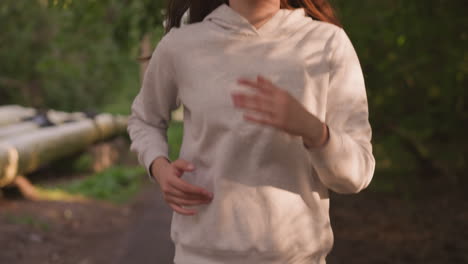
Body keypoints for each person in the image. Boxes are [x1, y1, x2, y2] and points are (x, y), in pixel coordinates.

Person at [127, 0, 376, 263]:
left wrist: (314, 131)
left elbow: (356, 175)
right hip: (200, 256)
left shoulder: (327, 43)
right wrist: (158, 166)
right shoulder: (181, 46)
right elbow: (145, 119)